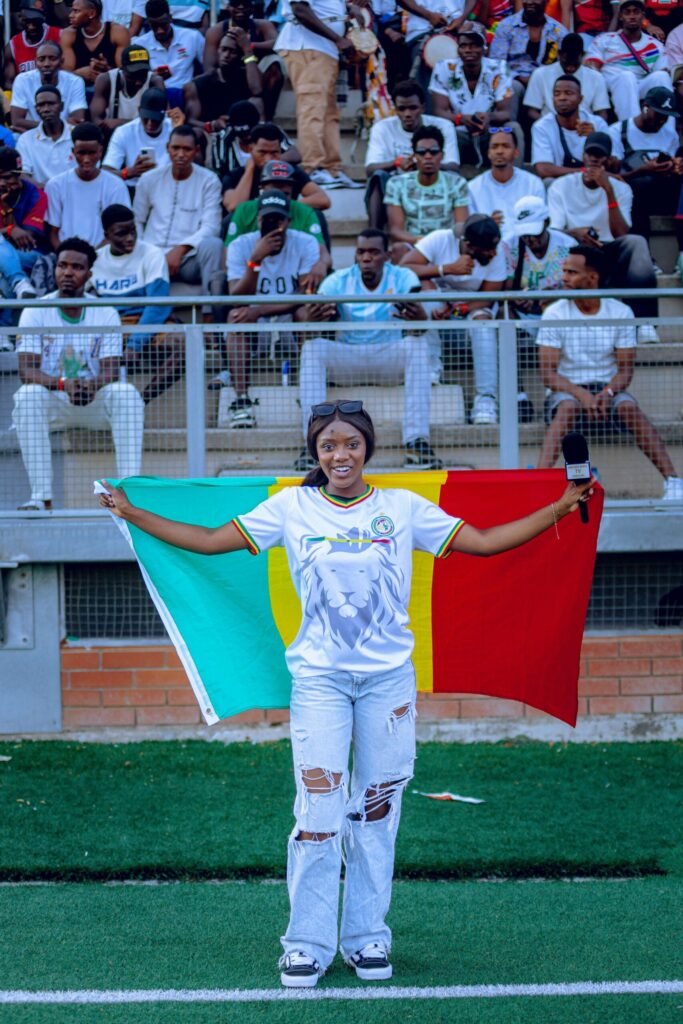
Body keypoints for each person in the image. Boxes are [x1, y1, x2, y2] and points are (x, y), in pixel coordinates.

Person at [98, 400, 595, 989]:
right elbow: (207, 541)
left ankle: (366, 939)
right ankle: (305, 944)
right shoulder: (290, 507)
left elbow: (485, 543)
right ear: (315, 451)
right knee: (318, 815)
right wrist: (132, 512)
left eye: (352, 444)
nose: (340, 455)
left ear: (368, 450)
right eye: (329, 445)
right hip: (320, 685)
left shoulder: (402, 507)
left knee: (376, 811)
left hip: (389, 685)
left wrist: (561, 506)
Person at [536, 245, 683, 501]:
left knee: (628, 407)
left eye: (572, 273)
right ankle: (535, 485)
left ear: (592, 279)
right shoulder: (554, 312)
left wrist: (608, 392)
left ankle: (673, 482)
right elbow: (548, 375)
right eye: (565, 271)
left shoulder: (620, 311)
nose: (565, 278)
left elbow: (626, 370)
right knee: (568, 407)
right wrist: (582, 394)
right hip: (567, 391)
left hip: (607, 389)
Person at [14, 236, 144, 512]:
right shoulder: (35, 310)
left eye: (76, 267)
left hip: (93, 399)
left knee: (127, 393)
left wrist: (90, 385)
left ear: (89, 274)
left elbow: (110, 370)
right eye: (62, 266)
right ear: (55, 269)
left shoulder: (105, 312)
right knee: (26, 395)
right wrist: (63, 384)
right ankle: (41, 497)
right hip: (54, 401)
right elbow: (26, 370)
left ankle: (129, 492)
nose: (68, 273)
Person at [297, 230, 441, 471]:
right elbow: (310, 331)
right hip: (348, 356)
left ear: (387, 255)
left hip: (388, 357)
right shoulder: (338, 280)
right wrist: (311, 321)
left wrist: (419, 319)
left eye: (374, 252)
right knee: (313, 347)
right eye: (361, 252)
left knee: (417, 345)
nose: (366, 258)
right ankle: (312, 444)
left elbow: (417, 324)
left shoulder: (403, 277)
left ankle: (417, 443)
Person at [221, 189, 320, 424]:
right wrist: (255, 261)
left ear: (288, 221)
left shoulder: (305, 242)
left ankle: (310, 394)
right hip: (253, 319)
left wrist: (259, 310)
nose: (273, 225)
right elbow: (236, 297)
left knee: (307, 312)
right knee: (236, 317)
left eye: (279, 220)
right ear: (258, 220)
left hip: (288, 314)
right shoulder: (240, 245)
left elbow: (305, 294)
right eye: (267, 219)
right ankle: (241, 401)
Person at [546, 131, 658, 335]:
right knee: (563, 243)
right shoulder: (561, 186)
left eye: (600, 155)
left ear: (608, 159)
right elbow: (555, 231)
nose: (594, 159)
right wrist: (575, 233)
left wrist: (608, 191)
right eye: (590, 153)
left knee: (636, 242)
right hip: (574, 249)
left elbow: (621, 233)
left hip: (607, 249)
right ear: (583, 155)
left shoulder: (620, 189)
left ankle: (644, 323)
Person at [401, 213, 506, 424]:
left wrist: (457, 309)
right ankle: (430, 372)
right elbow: (403, 268)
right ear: (468, 245)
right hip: (435, 312)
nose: (493, 253)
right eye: (487, 248)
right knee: (427, 296)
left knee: (484, 322)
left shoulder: (498, 254)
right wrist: (446, 269)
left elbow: (488, 298)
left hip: (470, 312)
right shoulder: (440, 239)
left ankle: (485, 401)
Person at [92, 203, 180, 404]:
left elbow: (158, 305)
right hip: (110, 325)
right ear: (106, 234)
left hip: (146, 322)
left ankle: (140, 403)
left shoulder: (152, 254)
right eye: (121, 234)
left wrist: (135, 344)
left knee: (183, 345)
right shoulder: (95, 259)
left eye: (132, 231)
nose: (129, 238)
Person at [275, 0, 361, 190]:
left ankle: (332, 169)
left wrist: (348, 9)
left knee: (330, 114)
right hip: (307, 47)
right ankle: (312, 168)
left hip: (324, 50)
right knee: (311, 110)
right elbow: (300, 9)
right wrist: (338, 39)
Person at [134, 124, 224, 298]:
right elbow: (137, 220)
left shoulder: (209, 181)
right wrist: (145, 253)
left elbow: (211, 227)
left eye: (187, 149)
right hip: (150, 255)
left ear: (196, 151)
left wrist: (180, 249)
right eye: (175, 148)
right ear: (168, 148)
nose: (180, 154)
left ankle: (210, 315)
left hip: (188, 259)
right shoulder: (149, 179)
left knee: (213, 245)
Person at [364, 80, 459, 231]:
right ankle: (374, 233)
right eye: (401, 109)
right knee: (377, 177)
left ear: (423, 107)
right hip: (396, 186)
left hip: (432, 181)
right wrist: (397, 162)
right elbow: (370, 168)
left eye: (413, 108)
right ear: (395, 109)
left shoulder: (443, 126)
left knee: (452, 177)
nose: (407, 114)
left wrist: (424, 164)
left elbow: (453, 166)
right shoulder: (382, 128)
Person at [429, 23, 519, 165]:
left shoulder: (499, 68)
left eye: (475, 45)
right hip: (457, 131)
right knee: (441, 131)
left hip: (490, 131)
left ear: (485, 49)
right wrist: (461, 119)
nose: (468, 50)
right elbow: (439, 111)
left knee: (513, 128)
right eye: (463, 46)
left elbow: (507, 112)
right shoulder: (444, 67)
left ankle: (514, 177)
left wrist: (489, 117)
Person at [607, 86, 682, 249]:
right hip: (631, 192)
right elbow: (614, 177)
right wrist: (642, 170)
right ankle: (644, 253)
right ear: (645, 107)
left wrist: (673, 167)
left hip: (662, 191)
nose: (662, 121)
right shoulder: (618, 131)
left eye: (666, 117)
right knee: (638, 188)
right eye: (659, 115)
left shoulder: (670, 136)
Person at [45, 121, 132, 248]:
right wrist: (67, 258)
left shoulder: (116, 186)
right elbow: (53, 233)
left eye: (92, 153)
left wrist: (91, 259)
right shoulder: (55, 185)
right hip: (65, 258)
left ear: (100, 151)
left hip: (103, 257)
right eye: (81, 153)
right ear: (73, 152)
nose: (86, 159)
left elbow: (118, 232)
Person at [384, 126, 469, 250]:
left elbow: (460, 226)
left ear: (442, 155)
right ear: (414, 156)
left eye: (434, 152)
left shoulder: (457, 183)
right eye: (422, 152)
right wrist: (423, 242)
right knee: (398, 249)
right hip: (412, 245)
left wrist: (438, 244)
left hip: (445, 245)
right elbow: (396, 231)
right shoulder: (396, 184)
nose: (428, 156)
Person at [585, 0, 671, 120]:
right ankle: (631, 129)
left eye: (636, 12)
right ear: (620, 16)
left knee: (662, 76)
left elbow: (663, 72)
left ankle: (668, 131)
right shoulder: (604, 40)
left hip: (640, 86)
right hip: (611, 84)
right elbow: (591, 68)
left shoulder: (655, 45)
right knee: (626, 77)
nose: (632, 16)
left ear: (642, 15)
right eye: (627, 12)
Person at [222, 122, 330, 213]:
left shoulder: (290, 171)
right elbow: (233, 206)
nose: (269, 159)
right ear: (250, 150)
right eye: (262, 153)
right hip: (249, 227)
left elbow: (323, 200)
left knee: (317, 215)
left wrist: (281, 204)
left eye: (274, 153)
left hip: (285, 223)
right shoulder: (235, 175)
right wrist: (249, 170)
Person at [203, 0, 284, 120]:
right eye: (236, 4)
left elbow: (277, 43)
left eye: (245, 5)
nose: (240, 8)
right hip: (229, 72)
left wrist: (248, 45)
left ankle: (268, 118)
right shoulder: (216, 31)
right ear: (228, 7)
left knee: (275, 66)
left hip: (254, 71)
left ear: (252, 9)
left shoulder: (262, 25)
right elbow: (209, 67)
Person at [488, 0, 568, 120]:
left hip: (545, 81)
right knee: (512, 87)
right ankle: (510, 129)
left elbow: (562, 65)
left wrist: (538, 80)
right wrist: (519, 77)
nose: (531, 2)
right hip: (515, 78)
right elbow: (496, 63)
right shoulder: (506, 25)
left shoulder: (558, 30)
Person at [531, 73, 610, 180]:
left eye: (568, 93)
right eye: (557, 94)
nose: (562, 98)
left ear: (580, 99)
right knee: (548, 181)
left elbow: (613, 165)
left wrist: (595, 139)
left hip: (595, 181)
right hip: (561, 185)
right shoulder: (542, 126)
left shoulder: (597, 123)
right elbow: (543, 169)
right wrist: (583, 172)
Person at [468, 127, 545, 231]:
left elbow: (539, 221)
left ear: (516, 152)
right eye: (494, 147)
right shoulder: (473, 187)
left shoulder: (533, 183)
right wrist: (488, 226)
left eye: (506, 146)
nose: (499, 151)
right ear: (488, 153)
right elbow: (471, 227)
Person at [183, 31, 264, 131]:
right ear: (218, 50)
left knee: (257, 101)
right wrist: (212, 125)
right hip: (211, 133)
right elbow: (190, 120)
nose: (226, 55)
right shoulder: (198, 84)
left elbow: (257, 90)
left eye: (232, 52)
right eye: (223, 49)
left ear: (240, 56)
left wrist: (248, 50)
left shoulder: (247, 77)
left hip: (242, 130)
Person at [132, 0, 205, 108]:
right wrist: (152, 77)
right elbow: (134, 80)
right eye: (155, 26)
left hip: (186, 94)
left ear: (170, 18)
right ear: (148, 23)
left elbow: (209, 67)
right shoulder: (139, 44)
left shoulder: (192, 37)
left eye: (163, 25)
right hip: (154, 96)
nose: (160, 31)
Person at [0, 146, 49, 307]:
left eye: (10, 177)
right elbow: (12, 234)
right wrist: (9, 229)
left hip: (30, 254)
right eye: (2, 177)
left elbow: (26, 239)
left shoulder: (35, 195)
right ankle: (20, 283)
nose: (4, 183)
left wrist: (6, 207)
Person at [523, 32, 610, 121]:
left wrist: (593, 127)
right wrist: (550, 126)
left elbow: (601, 112)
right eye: (567, 62)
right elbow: (531, 110)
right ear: (559, 54)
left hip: (584, 128)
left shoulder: (596, 77)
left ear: (583, 55)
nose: (570, 67)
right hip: (550, 128)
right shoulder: (540, 74)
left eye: (574, 62)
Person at [10, 40, 87, 132]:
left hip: (65, 134)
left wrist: (35, 126)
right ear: (35, 62)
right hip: (31, 134)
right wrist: (56, 125)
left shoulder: (75, 82)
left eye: (52, 59)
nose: (46, 64)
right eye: (41, 59)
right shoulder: (22, 80)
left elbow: (77, 121)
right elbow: (16, 121)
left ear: (61, 61)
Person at [103, 86, 172, 186]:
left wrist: (180, 130)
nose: (149, 123)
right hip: (134, 188)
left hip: (166, 187)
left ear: (164, 114)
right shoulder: (124, 132)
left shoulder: (174, 129)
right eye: (145, 118)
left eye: (155, 119)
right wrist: (129, 172)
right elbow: (105, 172)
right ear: (139, 111)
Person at [90, 44, 166, 135]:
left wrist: (122, 123)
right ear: (122, 68)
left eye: (143, 75)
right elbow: (96, 120)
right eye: (133, 76)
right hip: (113, 136)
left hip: (144, 136)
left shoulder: (155, 81)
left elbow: (164, 120)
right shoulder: (106, 80)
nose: (138, 82)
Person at [16, 85, 76, 186]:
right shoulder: (26, 139)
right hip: (42, 195)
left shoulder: (77, 134)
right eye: (41, 105)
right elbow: (22, 174)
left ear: (61, 106)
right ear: (36, 109)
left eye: (51, 104)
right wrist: (46, 191)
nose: (46, 109)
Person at [61, 0, 130, 84]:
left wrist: (108, 71)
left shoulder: (117, 32)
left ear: (92, 13)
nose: (70, 15)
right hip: (79, 86)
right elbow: (65, 75)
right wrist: (79, 74)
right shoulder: (68, 34)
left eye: (76, 11)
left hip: (111, 86)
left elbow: (125, 74)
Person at [4, 0, 62, 86]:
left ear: (43, 19)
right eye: (27, 21)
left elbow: (68, 73)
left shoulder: (60, 36)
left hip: (57, 92)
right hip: (26, 96)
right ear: (20, 18)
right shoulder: (13, 46)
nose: (31, 27)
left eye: (35, 22)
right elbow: (9, 83)